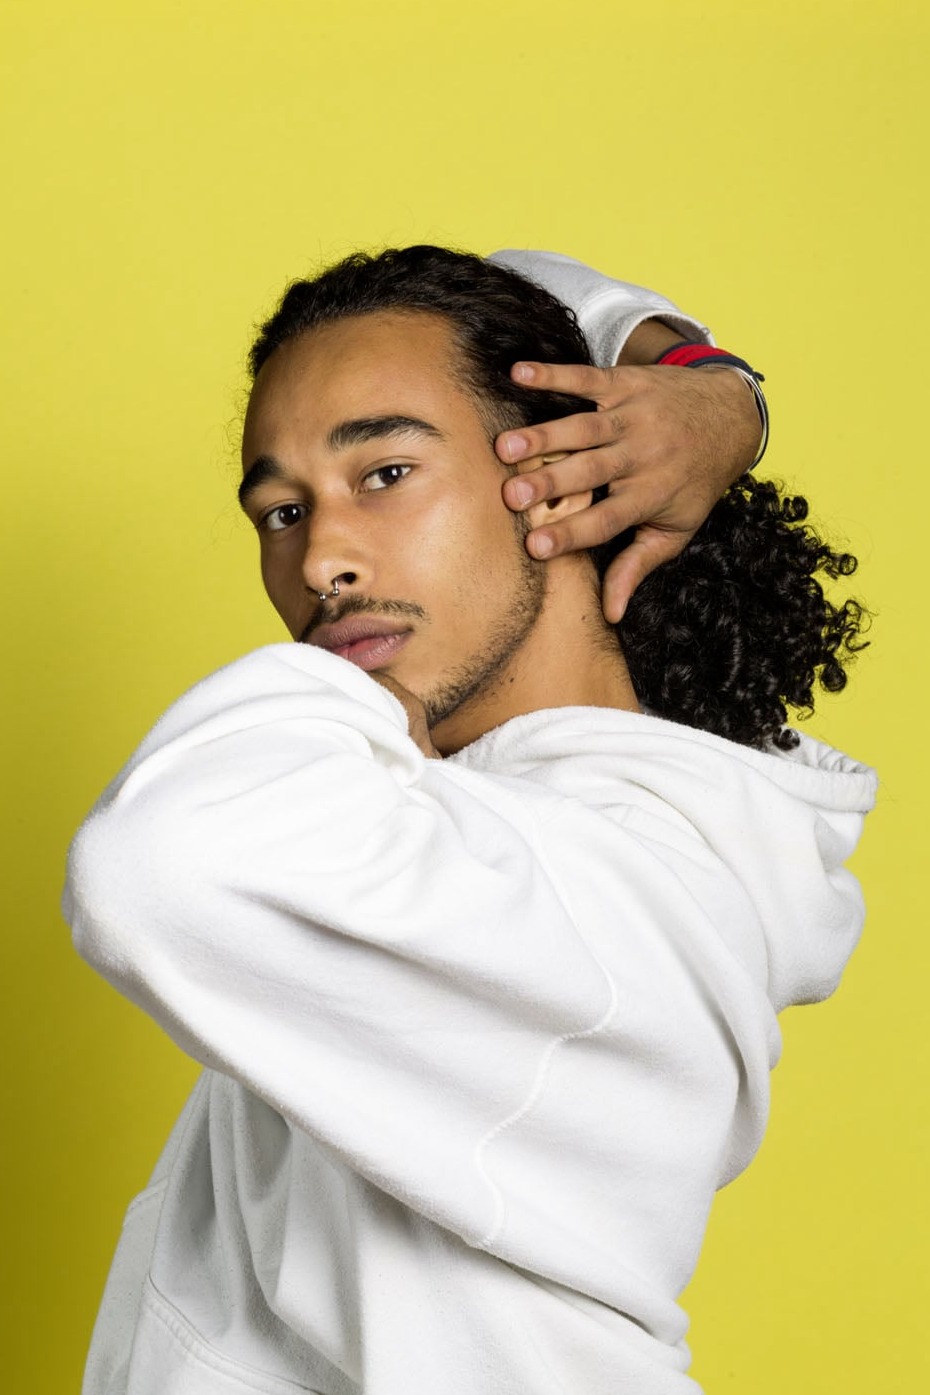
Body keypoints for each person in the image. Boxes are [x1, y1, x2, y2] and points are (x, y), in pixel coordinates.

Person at [63, 246, 874, 1395]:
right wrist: (711, 388)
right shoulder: (484, 829)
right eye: (282, 512)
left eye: (386, 474)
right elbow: (513, 281)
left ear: (562, 477)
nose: (321, 562)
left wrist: (350, 688)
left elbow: (156, 866)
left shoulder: (614, 899)